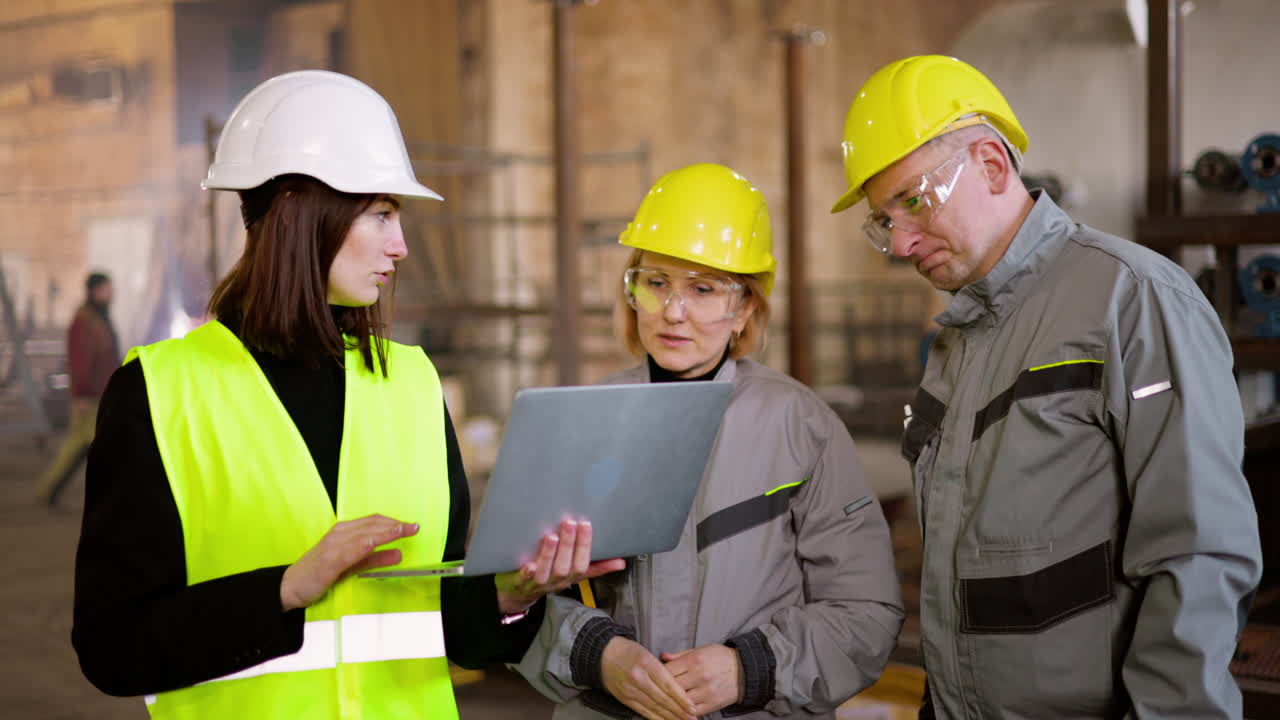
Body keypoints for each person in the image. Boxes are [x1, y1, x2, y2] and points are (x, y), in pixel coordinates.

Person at [72, 70, 621, 720]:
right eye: (382, 214)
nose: (402, 246)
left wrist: (510, 594)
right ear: (304, 215)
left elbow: (449, 627)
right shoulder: (157, 396)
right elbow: (113, 648)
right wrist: (283, 589)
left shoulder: (414, 385)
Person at [830, 54, 1262, 719]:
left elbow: (1198, 553)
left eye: (913, 202)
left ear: (992, 165)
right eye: (885, 221)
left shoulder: (1131, 300)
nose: (904, 242)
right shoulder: (956, 341)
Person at [514, 163, 904, 720]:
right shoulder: (577, 422)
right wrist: (597, 653)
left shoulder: (799, 426)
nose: (673, 313)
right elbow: (512, 598)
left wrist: (750, 668)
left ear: (744, 307)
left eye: (702, 290)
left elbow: (865, 612)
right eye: (655, 284)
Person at [35, 271, 119, 506]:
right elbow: (79, 359)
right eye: (106, 289)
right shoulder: (85, 320)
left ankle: (49, 491)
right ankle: (48, 491)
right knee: (93, 448)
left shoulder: (98, 317)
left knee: (79, 448)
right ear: (94, 291)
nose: (111, 294)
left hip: (98, 394)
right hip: (89, 398)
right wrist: (81, 393)